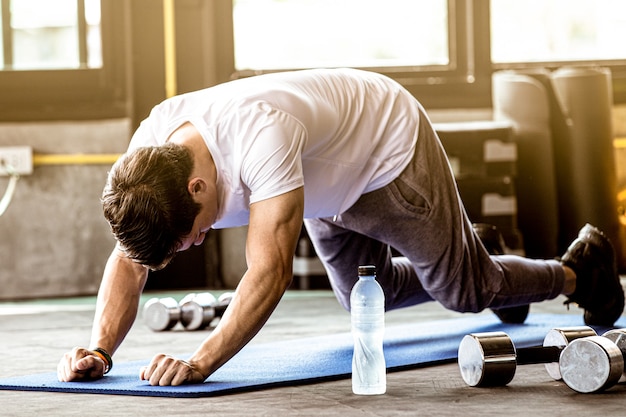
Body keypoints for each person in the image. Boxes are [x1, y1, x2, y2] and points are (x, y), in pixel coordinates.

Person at [57, 68, 624, 386]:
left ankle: (578, 271)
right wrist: (99, 351)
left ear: (197, 188)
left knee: (464, 290)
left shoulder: (260, 138)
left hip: (384, 153)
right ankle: (469, 248)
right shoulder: (146, 162)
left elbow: (269, 270)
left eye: (193, 232)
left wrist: (201, 359)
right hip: (321, 184)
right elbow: (129, 261)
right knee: (359, 298)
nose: (196, 242)